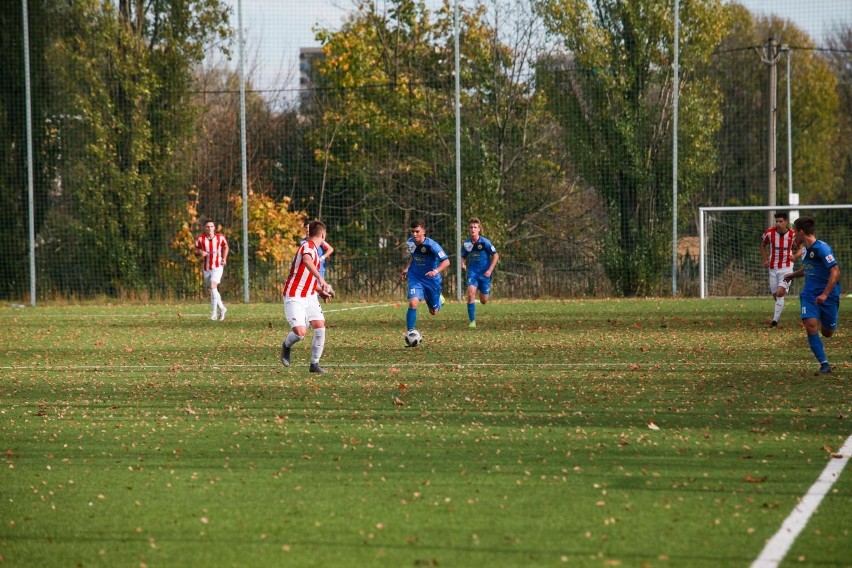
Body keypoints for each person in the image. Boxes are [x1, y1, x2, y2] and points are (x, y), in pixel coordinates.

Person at [783, 216, 841, 374]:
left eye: (795, 232)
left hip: (828, 295)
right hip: (809, 294)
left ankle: (828, 322)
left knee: (828, 332)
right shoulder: (805, 251)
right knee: (810, 326)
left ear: (801, 232)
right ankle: (824, 364)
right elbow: (808, 269)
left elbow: (835, 271)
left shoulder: (822, 248)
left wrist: (825, 294)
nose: (793, 235)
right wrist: (792, 275)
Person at [281, 220, 331, 373]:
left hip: (309, 295)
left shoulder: (315, 250)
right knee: (300, 332)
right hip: (294, 295)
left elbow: (306, 277)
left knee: (320, 326)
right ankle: (286, 345)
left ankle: (314, 364)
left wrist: (319, 291)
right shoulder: (307, 247)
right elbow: (307, 261)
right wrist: (321, 279)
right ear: (322, 234)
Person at [400, 219, 450, 335]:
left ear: (424, 231)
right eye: (412, 231)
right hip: (415, 277)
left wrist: (436, 271)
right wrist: (407, 269)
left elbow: (446, 262)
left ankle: (439, 300)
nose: (414, 234)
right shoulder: (410, 242)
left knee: (433, 311)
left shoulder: (432, 246)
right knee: (413, 303)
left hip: (431, 280)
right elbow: (413, 257)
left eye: (417, 231)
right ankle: (410, 332)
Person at [761, 212, 799, 328]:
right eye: (777, 221)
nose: (778, 223)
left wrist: (795, 256)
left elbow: (801, 249)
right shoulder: (769, 233)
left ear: (786, 222)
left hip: (787, 268)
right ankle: (779, 308)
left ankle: (774, 322)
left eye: (781, 221)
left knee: (780, 293)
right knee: (775, 295)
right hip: (773, 268)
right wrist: (766, 260)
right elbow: (763, 246)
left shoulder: (793, 235)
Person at [461, 217, 499, 328]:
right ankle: (472, 321)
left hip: (485, 274)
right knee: (471, 293)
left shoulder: (485, 242)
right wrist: (463, 263)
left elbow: (496, 255)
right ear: (469, 229)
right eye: (471, 227)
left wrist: (490, 270)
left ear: (479, 229)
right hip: (472, 273)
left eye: (475, 227)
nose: (473, 229)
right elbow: (463, 256)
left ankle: (485, 292)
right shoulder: (467, 243)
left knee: (484, 300)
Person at [194, 219, 229, 321]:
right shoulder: (200, 239)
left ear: (214, 228)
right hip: (206, 268)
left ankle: (213, 313)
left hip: (217, 266)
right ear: (204, 228)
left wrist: (224, 258)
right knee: (213, 289)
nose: (210, 228)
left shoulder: (220, 237)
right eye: (207, 227)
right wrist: (200, 252)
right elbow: (195, 251)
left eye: (212, 226)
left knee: (213, 286)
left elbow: (225, 247)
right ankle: (222, 308)